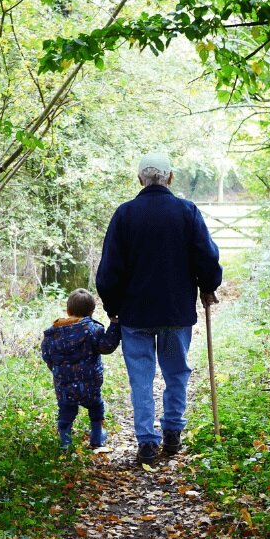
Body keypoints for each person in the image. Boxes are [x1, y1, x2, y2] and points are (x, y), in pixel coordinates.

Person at [96, 151, 222, 465]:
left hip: (134, 314)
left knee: (141, 377)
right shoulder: (187, 211)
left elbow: (109, 269)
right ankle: (173, 434)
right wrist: (209, 286)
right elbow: (206, 257)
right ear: (170, 177)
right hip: (175, 312)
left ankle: (147, 444)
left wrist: (112, 308)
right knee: (176, 372)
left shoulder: (124, 215)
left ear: (140, 179)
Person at [41, 288, 122, 449]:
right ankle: (97, 437)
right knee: (96, 407)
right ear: (91, 311)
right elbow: (106, 346)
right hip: (90, 383)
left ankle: (65, 443)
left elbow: (47, 356)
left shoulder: (53, 334)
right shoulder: (93, 330)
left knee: (66, 412)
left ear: (68, 310)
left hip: (64, 385)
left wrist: (58, 372)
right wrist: (115, 325)